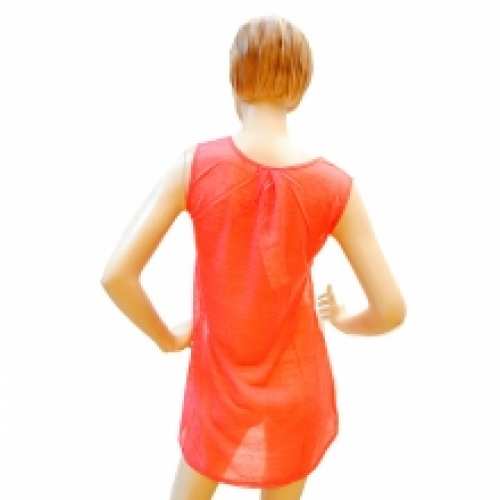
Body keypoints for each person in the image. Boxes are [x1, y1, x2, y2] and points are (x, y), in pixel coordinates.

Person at [101, 15, 406, 500]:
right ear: (300, 89)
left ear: (234, 79)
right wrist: (344, 321)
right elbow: (390, 310)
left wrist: (167, 337)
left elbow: (117, 275)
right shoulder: (336, 187)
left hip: (218, 388)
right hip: (297, 388)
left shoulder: (195, 167)